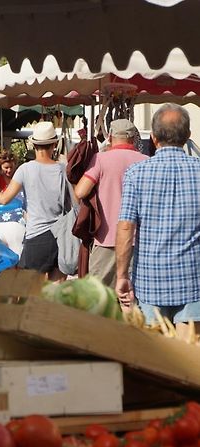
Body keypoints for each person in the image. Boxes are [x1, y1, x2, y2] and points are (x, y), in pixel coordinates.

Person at [116, 104, 200, 338]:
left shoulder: (136, 173)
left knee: (156, 360)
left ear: (153, 138)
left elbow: (125, 227)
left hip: (150, 281)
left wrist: (122, 275)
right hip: (193, 279)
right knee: (190, 357)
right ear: (187, 137)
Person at [0, 122, 67, 282]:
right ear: (54, 144)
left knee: (30, 287)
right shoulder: (63, 169)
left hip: (37, 234)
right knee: (57, 284)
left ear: (33, 144)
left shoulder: (25, 169)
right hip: (60, 235)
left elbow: (4, 198)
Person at [74, 119, 148, 288]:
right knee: (133, 300)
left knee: (100, 300)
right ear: (132, 138)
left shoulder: (100, 159)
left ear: (110, 137)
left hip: (106, 239)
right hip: (138, 241)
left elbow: (80, 192)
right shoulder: (146, 160)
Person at [0, 152, 26, 257]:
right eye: (6, 167)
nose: (9, 170)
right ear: (0, 167)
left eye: (11, 167)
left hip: (19, 221)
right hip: (1, 222)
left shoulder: (19, 179)